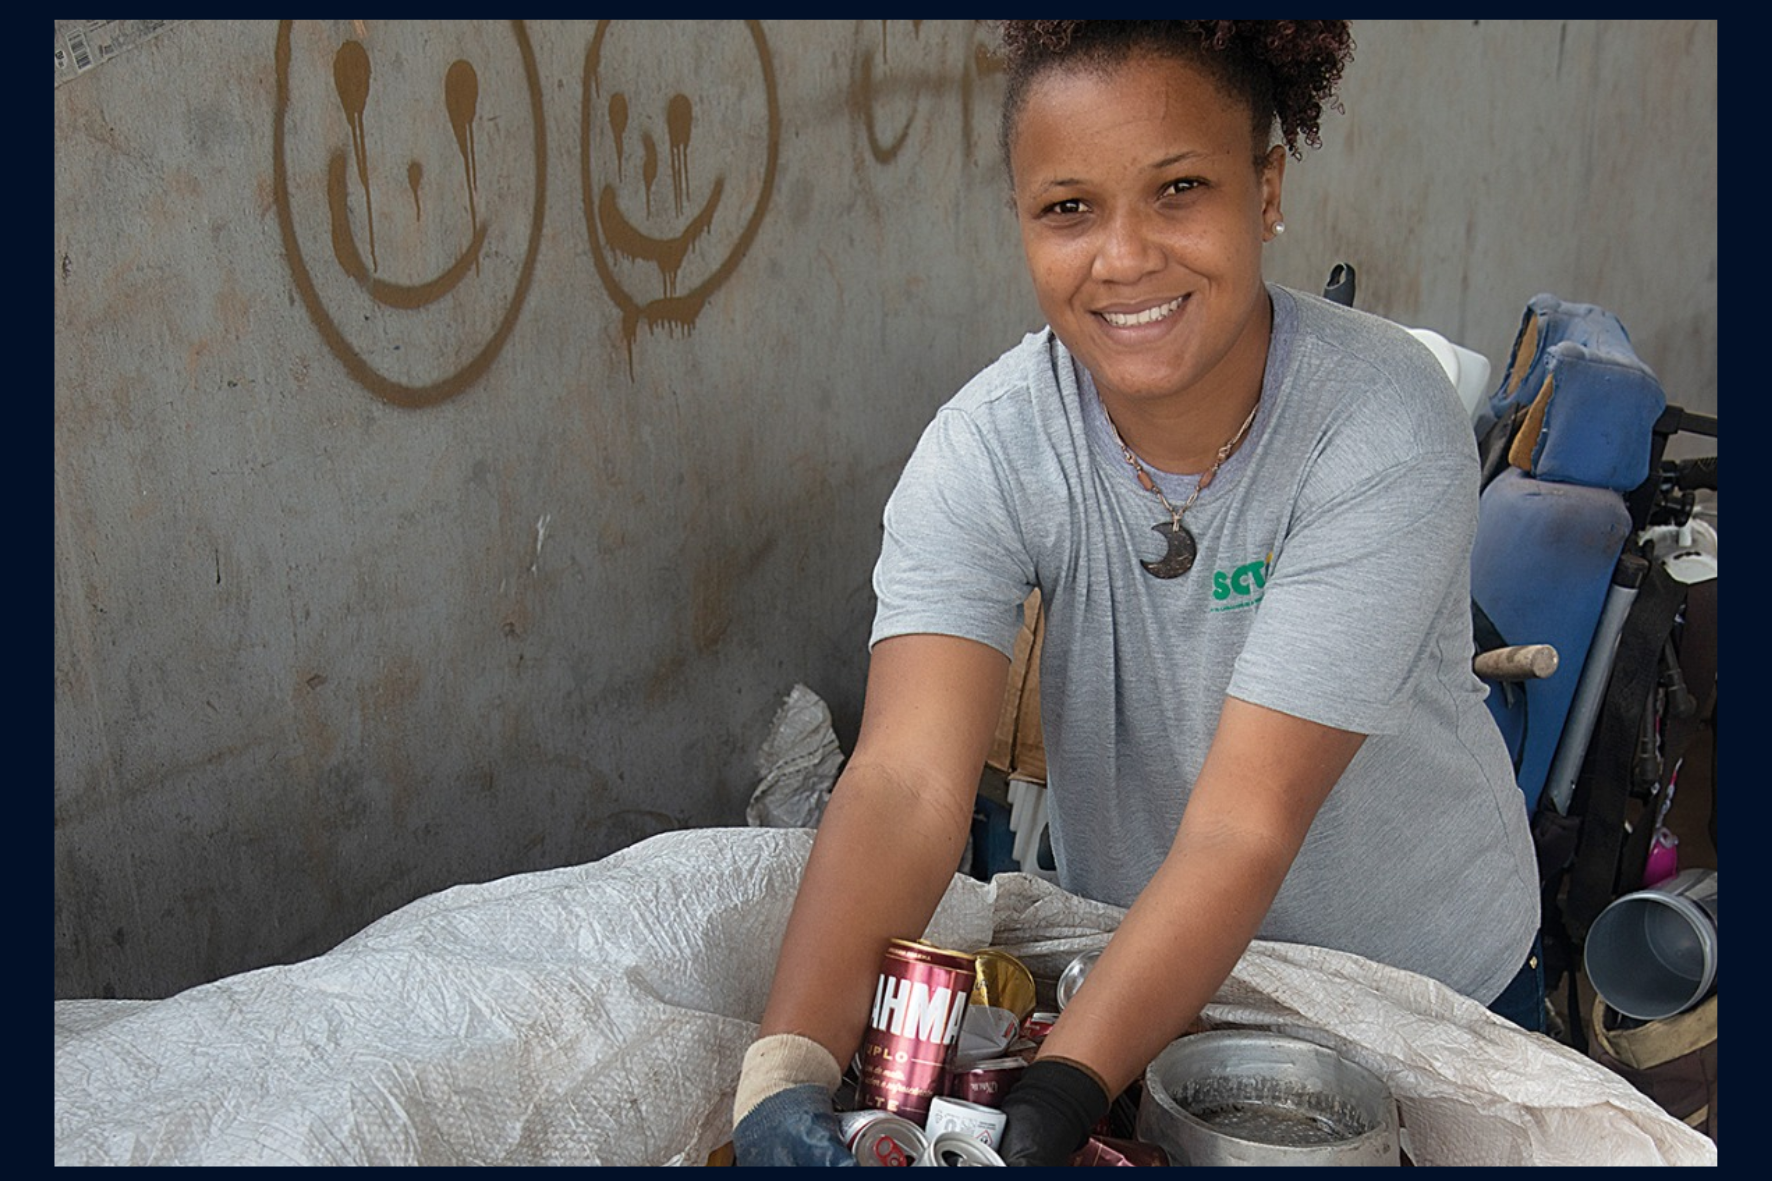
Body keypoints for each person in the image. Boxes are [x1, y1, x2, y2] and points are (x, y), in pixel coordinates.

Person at [731, 20, 1542, 1167]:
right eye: (1067, 208)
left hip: (1423, 1002)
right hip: (1155, 1006)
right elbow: (905, 784)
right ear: (1020, 219)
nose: (1122, 257)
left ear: (1266, 190)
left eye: (1177, 190)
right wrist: (782, 1078)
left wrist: (1057, 1087)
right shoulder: (988, 449)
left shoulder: (1378, 426)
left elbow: (1240, 824)